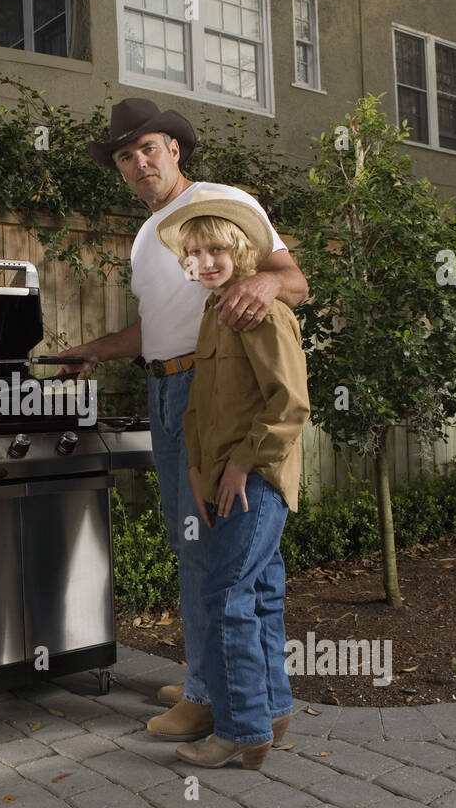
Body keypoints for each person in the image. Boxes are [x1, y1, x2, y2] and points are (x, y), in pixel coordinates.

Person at [63, 99, 308, 742]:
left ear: (174, 147)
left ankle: (207, 695)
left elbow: (292, 280)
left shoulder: (221, 200)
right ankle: (246, 688)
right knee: (223, 552)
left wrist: (266, 287)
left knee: (210, 549)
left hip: (214, 385)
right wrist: (94, 349)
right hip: (165, 388)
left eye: (147, 147)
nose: (137, 162)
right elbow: (158, 327)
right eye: (123, 156)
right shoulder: (150, 235)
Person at [157, 193, 309, 768]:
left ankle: (241, 730)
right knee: (262, 593)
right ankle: (271, 709)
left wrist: (243, 464)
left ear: (242, 250)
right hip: (219, 479)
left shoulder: (262, 312)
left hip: (256, 480)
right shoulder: (213, 311)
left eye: (217, 248)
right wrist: (198, 468)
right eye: (194, 252)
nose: (205, 260)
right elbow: (199, 405)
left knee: (226, 594)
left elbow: (290, 404)